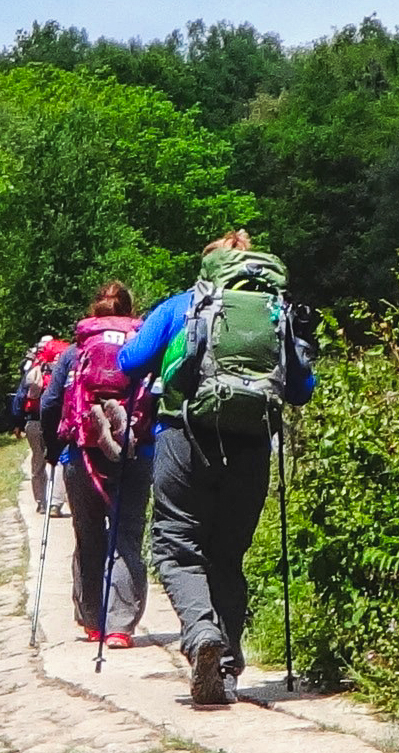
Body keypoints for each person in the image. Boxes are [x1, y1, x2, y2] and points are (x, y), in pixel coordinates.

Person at [117, 231, 314, 707]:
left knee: (176, 546)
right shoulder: (275, 311)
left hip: (184, 438)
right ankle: (225, 671)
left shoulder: (182, 306)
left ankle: (202, 633)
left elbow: (130, 363)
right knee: (228, 555)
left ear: (209, 268)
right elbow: (302, 388)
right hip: (250, 445)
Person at [58, 282, 150, 647]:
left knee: (89, 535)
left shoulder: (75, 349)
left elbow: (52, 402)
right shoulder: (141, 346)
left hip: (83, 454)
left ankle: (93, 621)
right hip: (134, 451)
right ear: (130, 310)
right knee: (126, 536)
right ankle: (119, 628)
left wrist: (53, 449)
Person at [11, 329, 75, 516]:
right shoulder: (66, 364)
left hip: (34, 420)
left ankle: (41, 502)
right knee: (59, 460)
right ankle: (55, 504)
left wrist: (16, 421)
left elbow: (21, 396)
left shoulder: (35, 366)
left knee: (38, 460)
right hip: (59, 419)